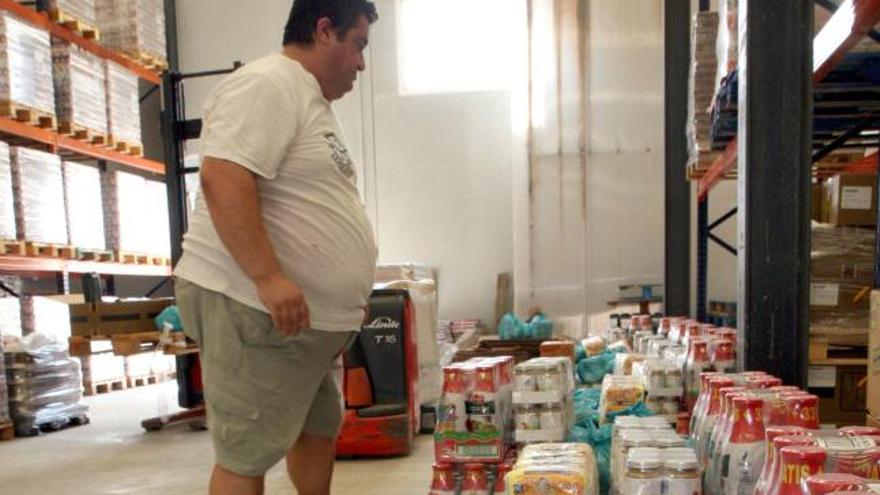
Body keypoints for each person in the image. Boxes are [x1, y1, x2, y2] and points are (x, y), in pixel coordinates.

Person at [172, 1, 379, 493]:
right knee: (248, 451)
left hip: (298, 325)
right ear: (325, 30)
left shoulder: (308, 100)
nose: (361, 64)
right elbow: (223, 176)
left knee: (314, 428)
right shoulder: (269, 83)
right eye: (359, 45)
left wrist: (344, 296)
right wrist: (268, 277)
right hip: (251, 307)